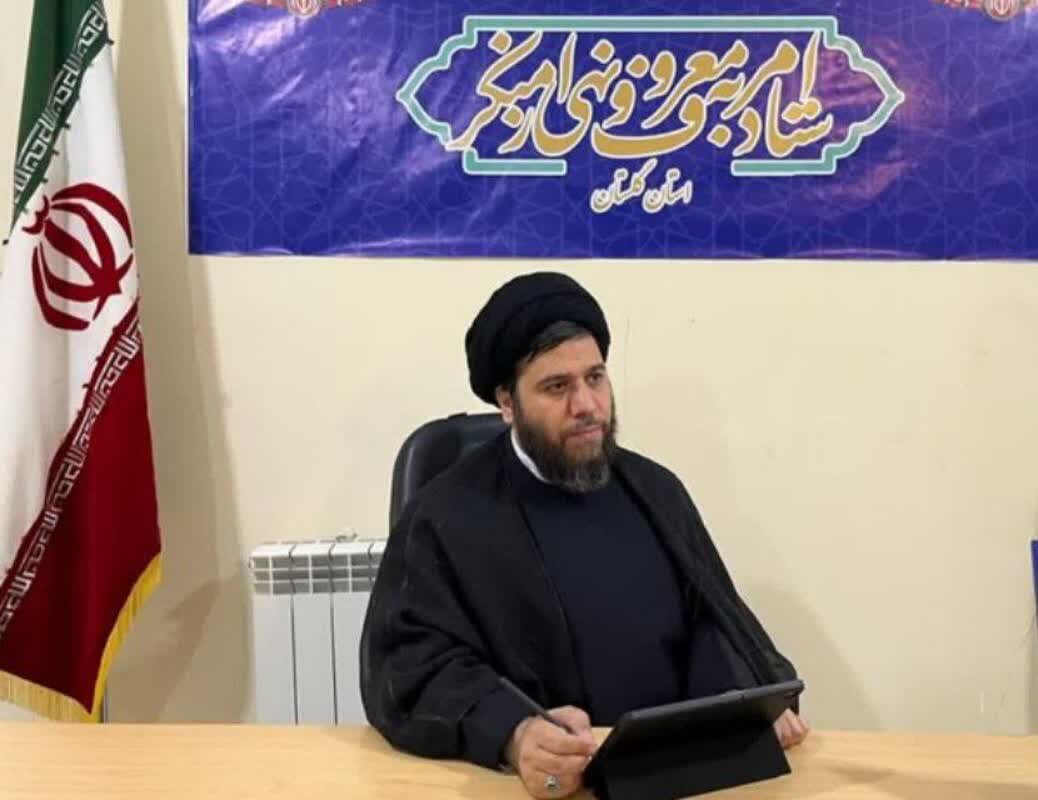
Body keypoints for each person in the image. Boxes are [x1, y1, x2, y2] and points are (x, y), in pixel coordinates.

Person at [360, 272, 808, 799]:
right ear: (507, 402)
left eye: (595, 378)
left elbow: (712, 622)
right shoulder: (443, 515)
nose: (587, 406)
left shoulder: (655, 492)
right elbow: (409, 668)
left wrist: (747, 697)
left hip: (665, 778)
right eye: (557, 387)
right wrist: (513, 732)